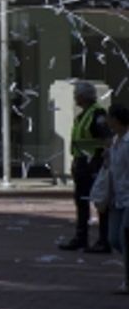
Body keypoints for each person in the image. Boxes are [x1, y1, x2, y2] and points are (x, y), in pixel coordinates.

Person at [61, 80, 112, 252]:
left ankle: (104, 241)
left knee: (100, 202)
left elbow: (107, 138)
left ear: (83, 97)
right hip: (82, 164)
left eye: (77, 95)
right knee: (81, 202)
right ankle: (81, 238)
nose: (75, 97)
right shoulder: (83, 115)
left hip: (95, 164)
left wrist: (105, 161)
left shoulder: (97, 114)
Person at [97, 104, 129, 293]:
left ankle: (127, 281)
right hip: (117, 196)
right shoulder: (115, 141)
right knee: (114, 238)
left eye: (109, 117)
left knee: (125, 236)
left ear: (116, 119)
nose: (106, 120)